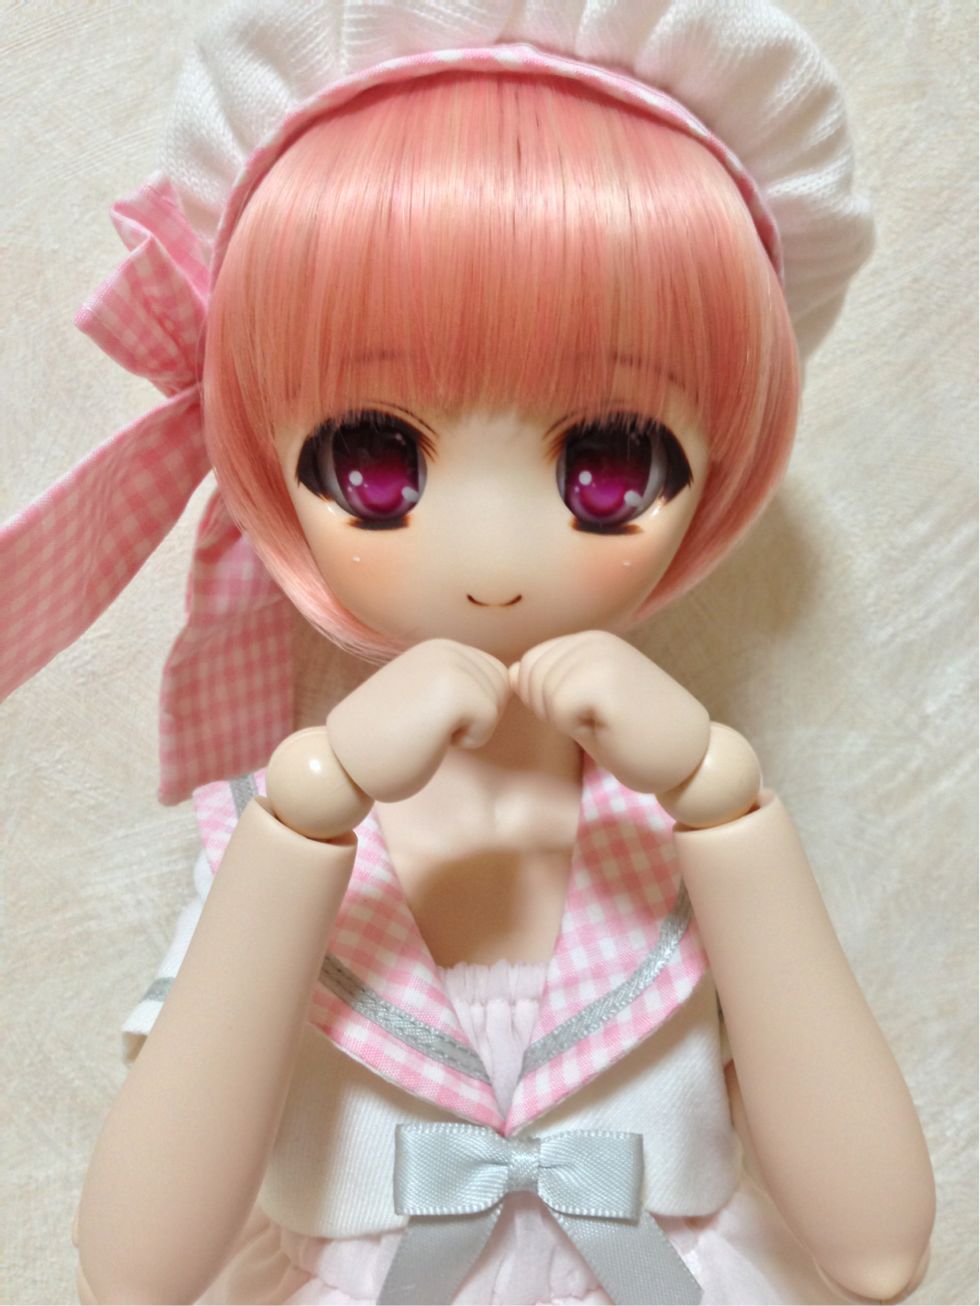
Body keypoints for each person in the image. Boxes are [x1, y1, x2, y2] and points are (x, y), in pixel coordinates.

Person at [0, 3, 935, 1303]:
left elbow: (879, 1246)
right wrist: (306, 819)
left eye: (606, 467)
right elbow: (135, 1271)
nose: (492, 554)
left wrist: (725, 804)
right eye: (376, 465)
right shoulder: (271, 831)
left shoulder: (686, 832)